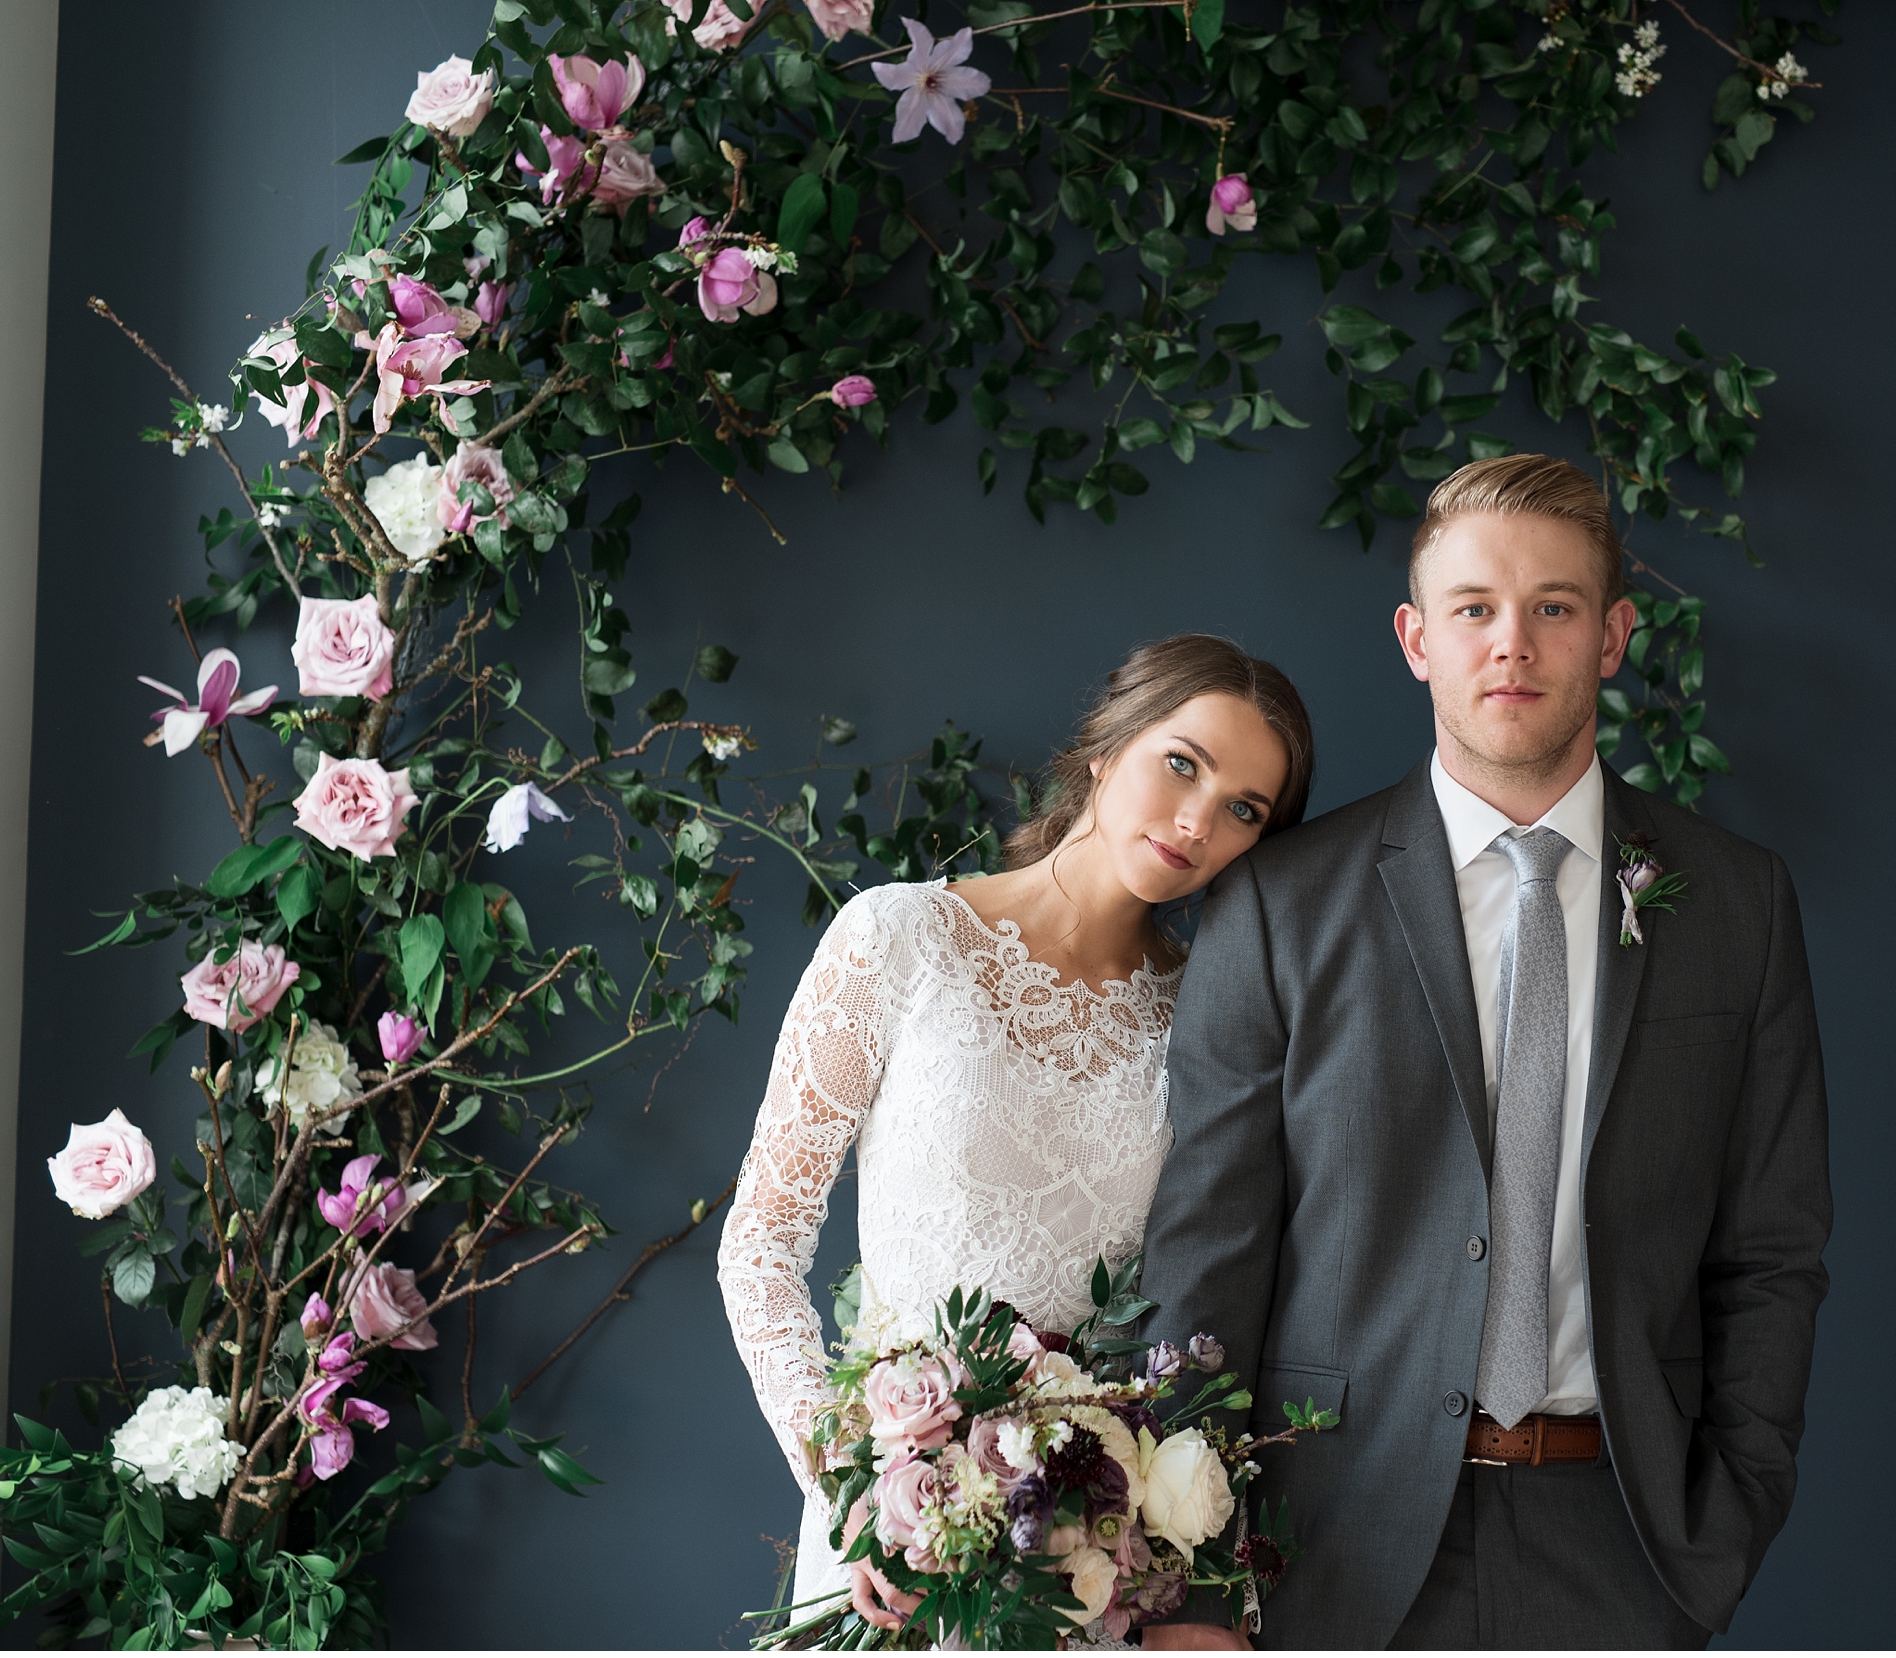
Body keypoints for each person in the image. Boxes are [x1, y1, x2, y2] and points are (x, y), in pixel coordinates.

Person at [1136, 455, 1831, 1651]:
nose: (1512, 644)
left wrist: (1726, 1523)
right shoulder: (1280, 905)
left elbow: (1771, 1250)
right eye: (1474, 610)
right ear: (1416, 639)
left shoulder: (1736, 902)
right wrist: (1188, 1579)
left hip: (1626, 1543)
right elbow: (1206, 1250)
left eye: (1554, 608)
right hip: (1331, 1545)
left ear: (1612, 636)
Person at [717, 633, 1316, 1631]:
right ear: (1104, 748)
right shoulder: (899, 938)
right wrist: (847, 1484)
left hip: (1089, 1563)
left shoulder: (1212, 1020)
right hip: (896, 1542)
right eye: (1182, 764)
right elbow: (761, 1242)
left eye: (1243, 809)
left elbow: (1222, 1288)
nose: (1196, 821)